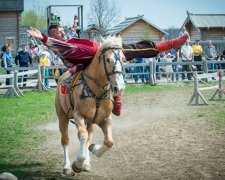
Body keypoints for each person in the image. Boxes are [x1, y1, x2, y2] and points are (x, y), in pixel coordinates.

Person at [27, 25, 188, 115]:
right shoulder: (62, 46)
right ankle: (170, 44)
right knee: (128, 51)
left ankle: (170, 44)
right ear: (53, 36)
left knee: (130, 50)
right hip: (93, 57)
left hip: (99, 52)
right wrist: (44, 38)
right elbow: (63, 49)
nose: (62, 32)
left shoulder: (70, 40)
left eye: (61, 30)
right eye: (58, 32)